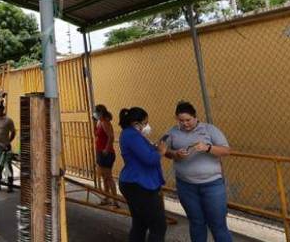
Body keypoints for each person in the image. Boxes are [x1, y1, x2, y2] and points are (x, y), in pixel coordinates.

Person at [164, 101, 232, 242]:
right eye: (181, 121)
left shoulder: (209, 129)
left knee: (218, 224)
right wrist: (175, 153)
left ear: (195, 117)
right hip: (186, 186)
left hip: (212, 185)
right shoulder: (172, 132)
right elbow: (164, 151)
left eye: (188, 120)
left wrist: (208, 148)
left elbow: (226, 150)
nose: (185, 124)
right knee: (196, 222)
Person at [118, 106, 167, 242]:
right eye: (145, 123)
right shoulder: (132, 135)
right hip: (141, 185)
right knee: (158, 226)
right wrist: (161, 151)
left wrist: (155, 148)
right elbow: (150, 159)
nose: (147, 126)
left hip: (135, 183)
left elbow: (146, 151)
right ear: (136, 123)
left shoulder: (131, 135)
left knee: (140, 223)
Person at [94, 104, 120, 208]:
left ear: (100, 112)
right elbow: (96, 134)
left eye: (96, 112)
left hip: (106, 153)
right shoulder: (100, 122)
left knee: (108, 177)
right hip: (101, 152)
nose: (95, 114)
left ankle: (115, 200)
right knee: (104, 177)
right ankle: (106, 197)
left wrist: (106, 148)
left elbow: (111, 136)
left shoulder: (105, 123)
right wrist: (94, 123)